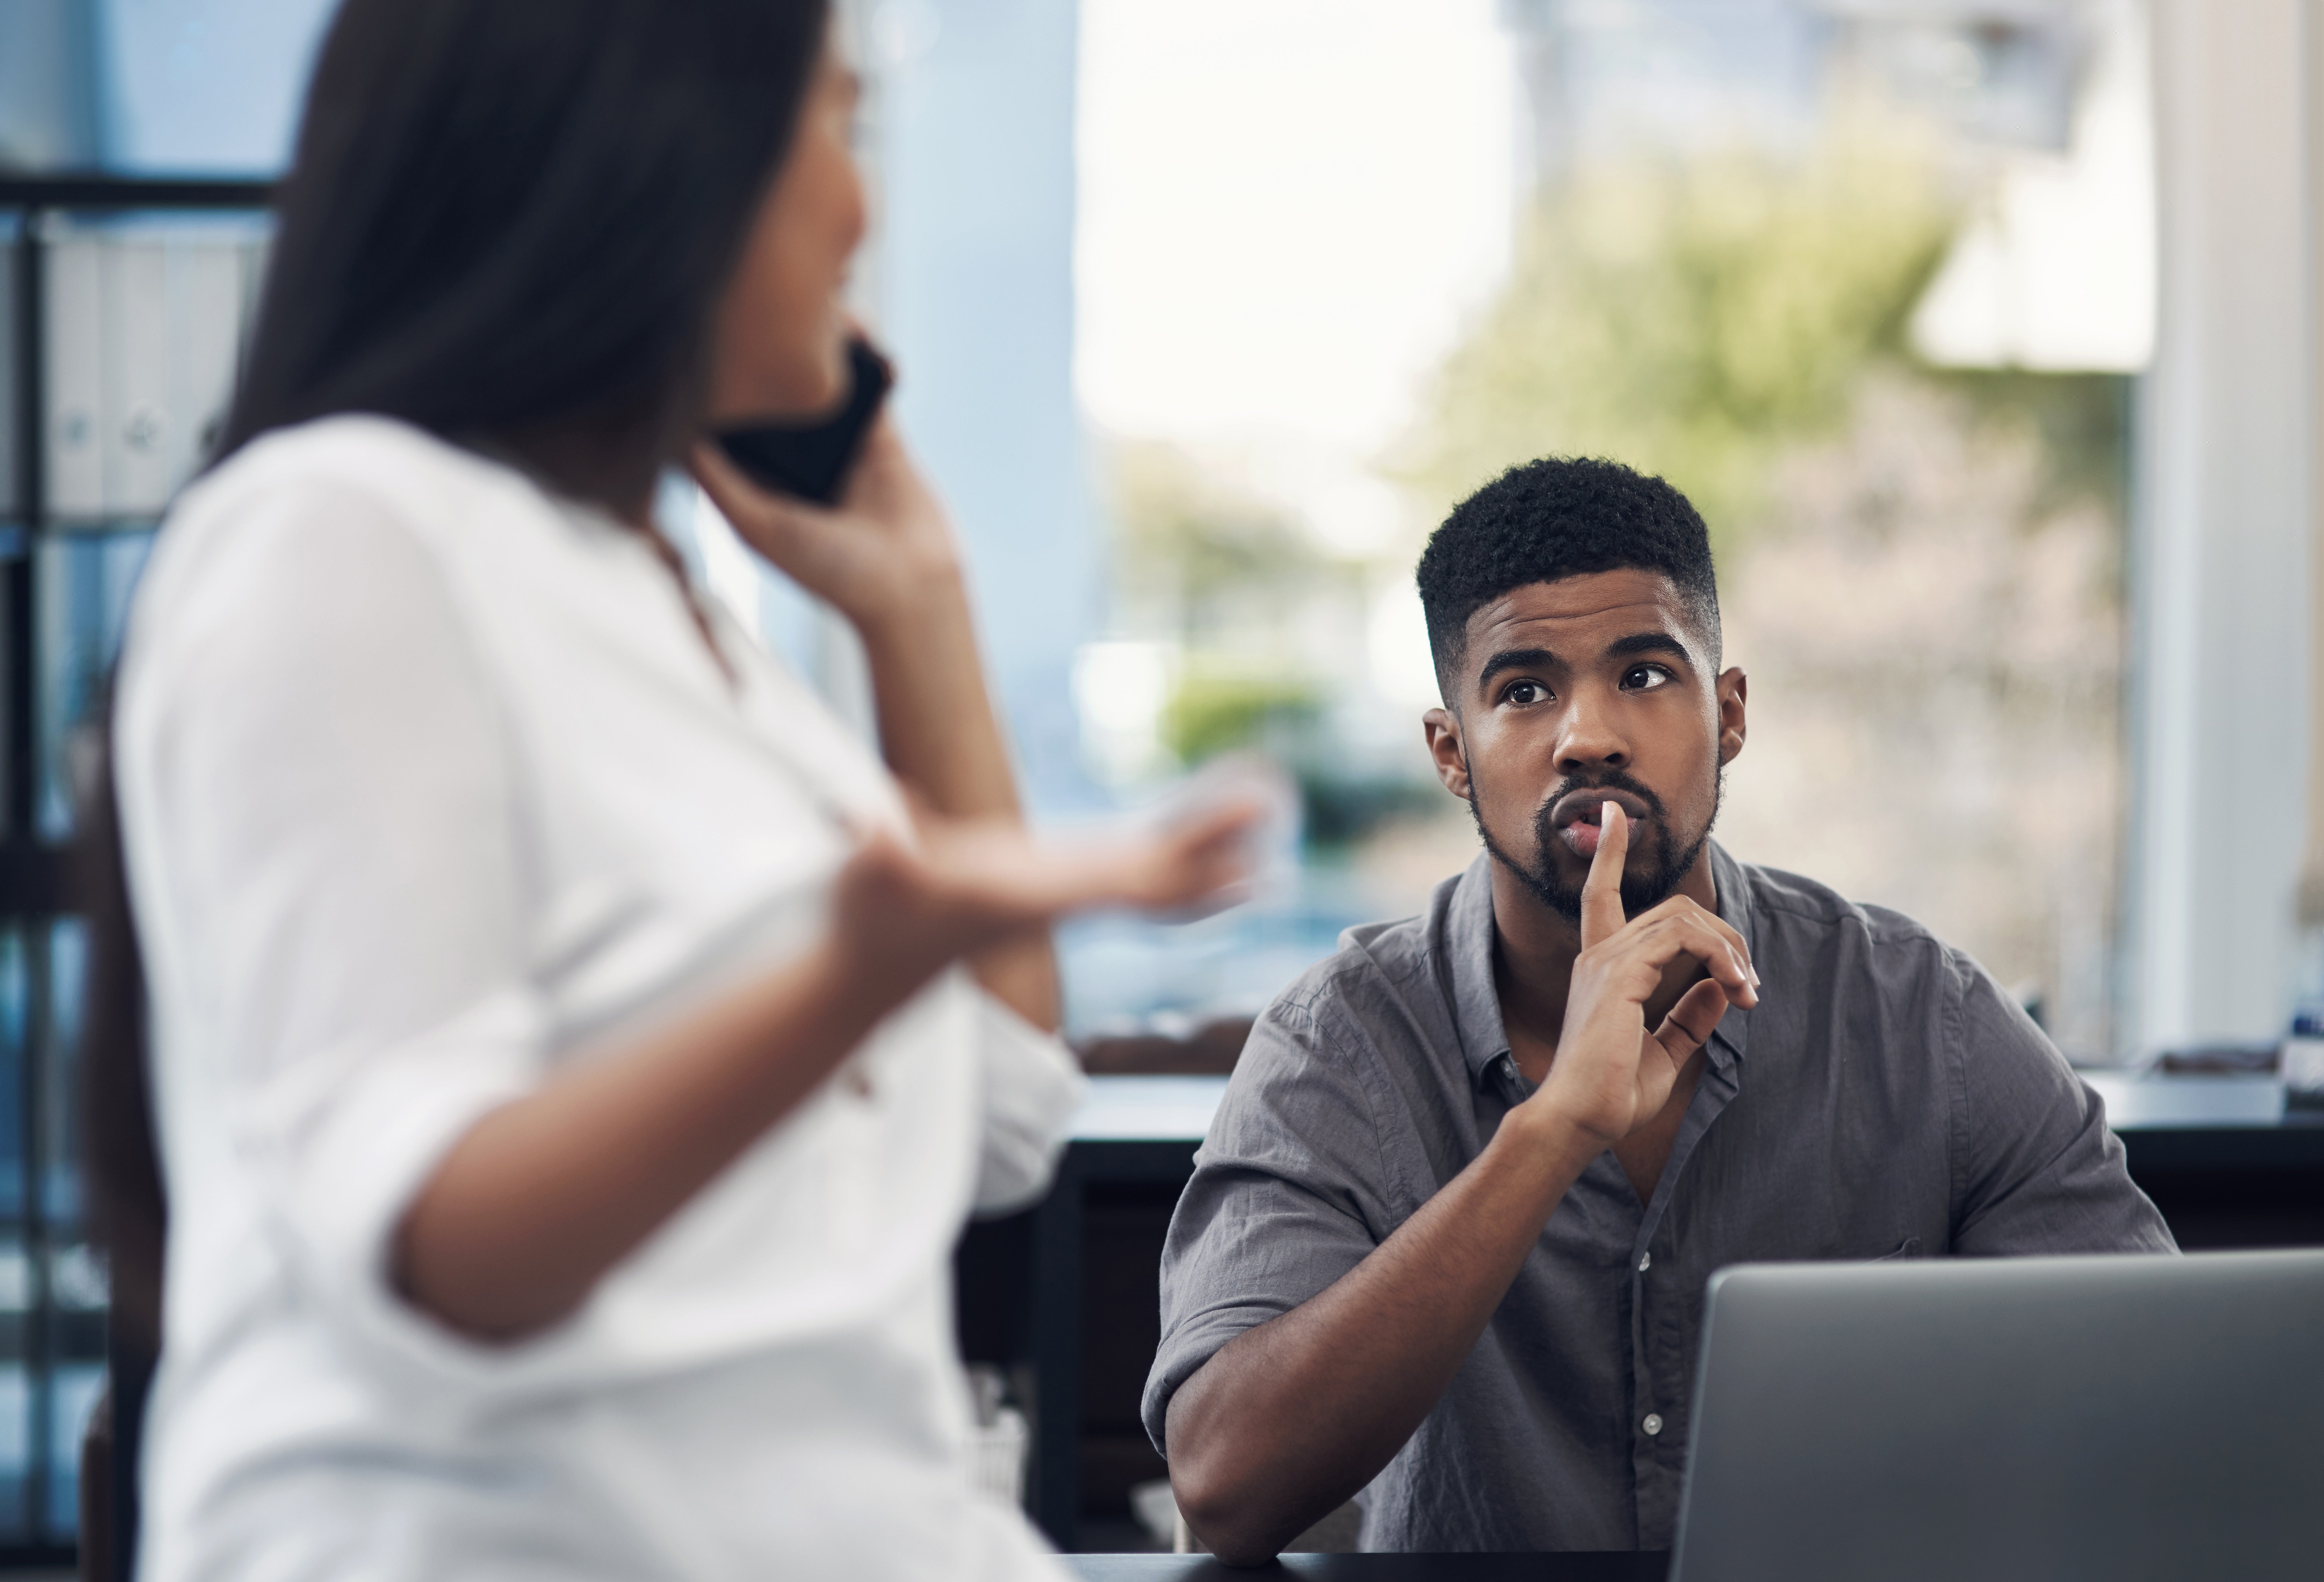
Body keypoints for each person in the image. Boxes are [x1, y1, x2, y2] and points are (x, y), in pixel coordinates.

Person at [84, 2, 1256, 1578]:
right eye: (832, 127)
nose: (865, 207)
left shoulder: (672, 613)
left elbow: (1002, 1103)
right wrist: (855, 969)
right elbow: (438, 1236)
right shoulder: (345, 530)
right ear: (647, 149)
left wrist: (919, 616)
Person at [1144, 457, 2174, 1563]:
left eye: (1644, 674)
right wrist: (1550, 1133)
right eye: (1524, 690)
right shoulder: (1339, 1045)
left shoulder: (1927, 1018)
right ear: (1453, 753)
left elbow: (2164, 1406)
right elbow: (1223, 1485)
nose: (1589, 734)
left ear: (1728, 715)